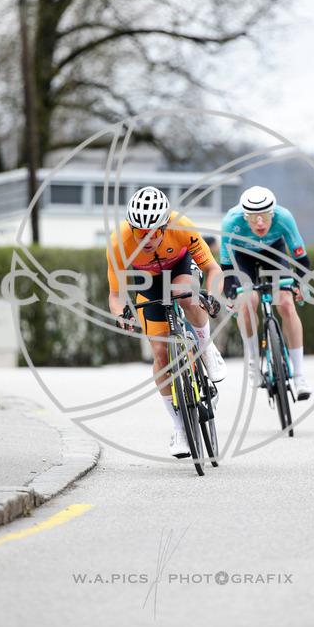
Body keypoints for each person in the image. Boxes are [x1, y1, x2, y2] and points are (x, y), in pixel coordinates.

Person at [106, 186, 226, 458]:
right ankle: (179, 427)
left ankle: (206, 348)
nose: (145, 239)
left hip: (181, 267)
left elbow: (212, 269)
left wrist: (214, 297)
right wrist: (121, 313)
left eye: (153, 233)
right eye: (139, 232)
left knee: (184, 296)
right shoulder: (118, 242)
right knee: (160, 354)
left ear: (165, 225)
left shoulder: (182, 227)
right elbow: (116, 296)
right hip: (147, 280)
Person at [219, 186, 312, 400]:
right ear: (244, 216)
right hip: (242, 257)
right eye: (253, 216)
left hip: (274, 251)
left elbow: (301, 259)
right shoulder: (230, 223)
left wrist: (302, 284)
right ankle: (253, 361)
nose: (259, 222)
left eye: (264, 216)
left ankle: (299, 375)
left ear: (273, 213)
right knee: (248, 301)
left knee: (286, 304)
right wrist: (231, 295)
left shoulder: (284, 217)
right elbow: (226, 267)